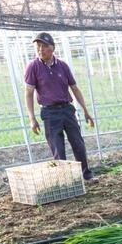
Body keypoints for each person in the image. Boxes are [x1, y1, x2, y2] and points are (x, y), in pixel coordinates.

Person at [24, 32, 97, 180]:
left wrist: (86, 111)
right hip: (50, 113)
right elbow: (29, 93)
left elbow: (74, 88)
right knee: (58, 149)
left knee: (78, 143)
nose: (40, 50)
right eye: (38, 46)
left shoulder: (62, 66)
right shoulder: (33, 67)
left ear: (52, 48)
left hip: (67, 110)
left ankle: (86, 174)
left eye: (44, 46)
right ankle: (66, 180)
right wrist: (32, 118)